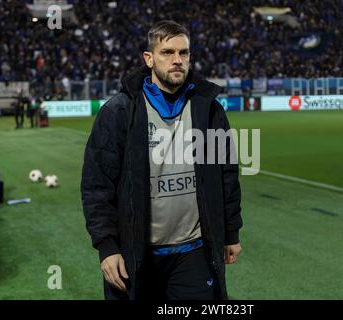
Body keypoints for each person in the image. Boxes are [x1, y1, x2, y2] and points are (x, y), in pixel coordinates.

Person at [81, 20, 243, 300]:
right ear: (149, 58)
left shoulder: (209, 109)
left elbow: (227, 176)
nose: (177, 60)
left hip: (194, 252)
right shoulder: (119, 112)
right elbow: (97, 185)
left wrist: (231, 233)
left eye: (184, 53)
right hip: (138, 255)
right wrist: (107, 247)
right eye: (167, 52)